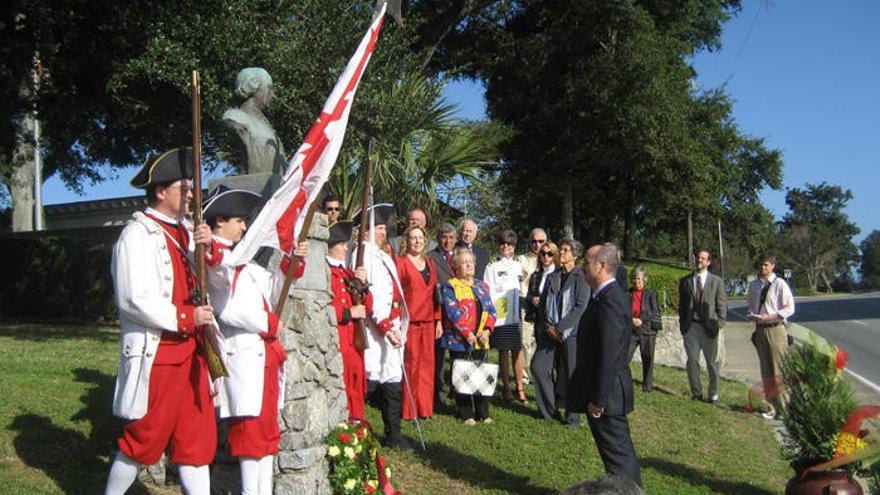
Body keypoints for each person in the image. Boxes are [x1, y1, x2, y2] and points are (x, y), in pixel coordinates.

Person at [105, 148, 219, 495]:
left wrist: (209, 249)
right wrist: (185, 316)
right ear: (160, 192)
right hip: (160, 353)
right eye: (184, 187)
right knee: (144, 437)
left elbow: (213, 279)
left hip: (195, 352)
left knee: (197, 440)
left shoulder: (189, 233)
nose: (191, 194)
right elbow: (133, 298)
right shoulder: (137, 235)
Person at [203, 186, 308, 495]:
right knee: (249, 436)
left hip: (264, 352)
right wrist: (210, 243)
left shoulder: (244, 262)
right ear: (220, 221)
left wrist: (291, 263)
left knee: (264, 434)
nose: (244, 227)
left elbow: (274, 290)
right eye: (238, 220)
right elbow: (218, 268)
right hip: (244, 352)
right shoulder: (215, 258)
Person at [570, 243, 641, 486]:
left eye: (586, 263)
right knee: (615, 457)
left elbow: (610, 354)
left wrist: (599, 399)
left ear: (601, 266)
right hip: (604, 392)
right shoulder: (603, 296)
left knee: (619, 458)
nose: (582, 267)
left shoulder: (611, 300)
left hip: (607, 395)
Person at [351, 203, 411, 449]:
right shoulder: (360, 254)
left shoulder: (385, 255)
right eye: (378, 227)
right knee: (371, 376)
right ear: (365, 231)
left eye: (384, 228)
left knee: (392, 377)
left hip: (392, 325)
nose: (383, 232)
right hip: (372, 328)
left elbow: (393, 291)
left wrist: (394, 322)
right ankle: (356, 429)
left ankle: (393, 433)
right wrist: (385, 326)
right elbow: (367, 293)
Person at [533, 240, 590, 426]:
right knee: (538, 367)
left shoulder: (582, 277)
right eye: (562, 250)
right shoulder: (553, 276)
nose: (562, 253)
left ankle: (573, 417)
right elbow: (543, 305)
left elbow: (581, 306)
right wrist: (548, 327)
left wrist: (560, 328)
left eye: (566, 250)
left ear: (575, 256)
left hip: (571, 334)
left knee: (572, 374)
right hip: (550, 332)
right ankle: (548, 411)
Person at [440, 248, 497, 424]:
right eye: (464, 263)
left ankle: (483, 412)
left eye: (470, 262)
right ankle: (465, 412)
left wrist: (487, 331)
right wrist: (466, 332)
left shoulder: (482, 286)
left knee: (480, 374)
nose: (468, 265)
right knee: (463, 374)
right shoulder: (451, 286)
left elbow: (492, 311)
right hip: (460, 340)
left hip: (481, 340)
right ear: (456, 267)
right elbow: (453, 312)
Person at [395, 225, 442, 420]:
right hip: (411, 322)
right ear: (407, 240)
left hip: (429, 322)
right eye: (413, 238)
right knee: (411, 366)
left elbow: (435, 295)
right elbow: (396, 294)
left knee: (427, 366)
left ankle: (425, 408)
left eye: (420, 238)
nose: (417, 241)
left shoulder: (430, 263)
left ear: (425, 240)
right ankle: (409, 409)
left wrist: (438, 320)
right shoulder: (401, 263)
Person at [326, 220, 370, 421]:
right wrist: (348, 313)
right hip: (340, 340)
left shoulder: (347, 273)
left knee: (355, 384)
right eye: (341, 243)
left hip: (353, 341)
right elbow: (325, 308)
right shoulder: (327, 272)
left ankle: (356, 426)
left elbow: (368, 305)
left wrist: (363, 284)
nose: (346, 248)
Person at [746, 253, 795, 419]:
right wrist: (753, 315)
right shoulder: (754, 285)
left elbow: (789, 307)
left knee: (779, 369)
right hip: (760, 328)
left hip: (776, 328)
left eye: (766, 265)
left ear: (772, 266)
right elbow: (751, 305)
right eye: (761, 265)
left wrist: (772, 316)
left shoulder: (779, 284)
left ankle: (785, 408)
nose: (763, 268)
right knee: (766, 369)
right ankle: (771, 407)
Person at [678, 249, 727, 404]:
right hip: (691, 327)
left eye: (703, 258)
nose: (699, 260)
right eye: (698, 257)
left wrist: (719, 324)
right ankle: (696, 393)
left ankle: (713, 394)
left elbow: (722, 305)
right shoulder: (685, 281)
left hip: (709, 328)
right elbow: (682, 306)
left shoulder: (716, 282)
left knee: (712, 363)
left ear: (708, 262)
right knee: (692, 360)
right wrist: (683, 325)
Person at [484, 230, 527, 403]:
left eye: (509, 244)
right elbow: (488, 291)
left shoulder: (518, 265)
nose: (505, 247)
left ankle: (520, 387)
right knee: (503, 350)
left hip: (516, 312)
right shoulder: (492, 266)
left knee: (518, 349)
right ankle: (507, 388)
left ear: (514, 247)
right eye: (502, 243)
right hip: (501, 314)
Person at [222, 67, 286, 175]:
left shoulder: (263, 123)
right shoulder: (235, 118)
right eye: (269, 88)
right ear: (254, 86)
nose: (272, 94)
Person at [427, 223, 458, 407]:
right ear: (438, 238)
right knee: (438, 356)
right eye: (444, 237)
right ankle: (438, 392)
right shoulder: (431, 257)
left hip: (459, 313)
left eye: (451, 238)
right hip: (439, 310)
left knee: (457, 354)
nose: (448, 241)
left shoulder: (460, 256)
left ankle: (457, 390)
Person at [518, 228, 548, 383]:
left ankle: (539, 372)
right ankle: (525, 375)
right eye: (534, 241)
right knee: (524, 342)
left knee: (541, 341)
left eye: (541, 241)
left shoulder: (550, 258)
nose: (537, 244)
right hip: (525, 305)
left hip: (546, 308)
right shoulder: (521, 260)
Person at [626, 266, 661, 393]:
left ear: (644, 279)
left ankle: (647, 386)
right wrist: (631, 319)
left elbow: (654, 310)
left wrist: (641, 319)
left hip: (647, 330)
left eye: (639, 279)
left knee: (647, 358)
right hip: (632, 330)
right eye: (634, 279)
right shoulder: (627, 293)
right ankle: (623, 382)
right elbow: (623, 310)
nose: (637, 281)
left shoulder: (651, 293)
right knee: (625, 357)